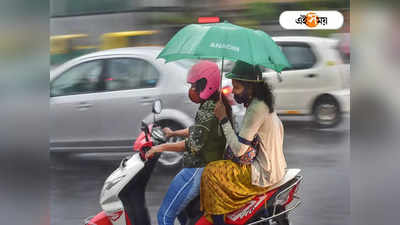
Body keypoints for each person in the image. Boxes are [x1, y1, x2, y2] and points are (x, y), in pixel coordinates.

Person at [200, 61, 287, 225]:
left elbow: (239, 150)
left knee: (211, 173)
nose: (233, 91)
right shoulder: (263, 103)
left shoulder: (255, 108)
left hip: (263, 172)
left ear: (250, 87)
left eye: (237, 87)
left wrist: (223, 119)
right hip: (276, 167)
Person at [145, 60, 230, 225]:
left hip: (197, 169)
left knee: (164, 216)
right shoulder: (214, 105)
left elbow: (191, 144)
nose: (191, 90)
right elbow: (199, 130)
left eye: (194, 86)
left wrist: (159, 147)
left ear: (207, 85)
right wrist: (173, 133)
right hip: (207, 167)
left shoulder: (210, 109)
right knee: (182, 212)